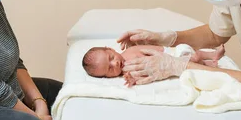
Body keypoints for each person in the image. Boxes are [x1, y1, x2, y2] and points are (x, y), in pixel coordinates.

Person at [82, 44, 225, 78]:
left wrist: (164, 49)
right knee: (194, 61)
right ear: (107, 77)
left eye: (111, 58)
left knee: (195, 56)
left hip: (170, 55)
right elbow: (142, 75)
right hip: (170, 64)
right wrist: (132, 80)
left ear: (111, 49)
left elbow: (147, 48)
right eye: (109, 69)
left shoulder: (130, 52)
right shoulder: (126, 72)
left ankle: (212, 55)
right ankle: (210, 63)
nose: (115, 64)